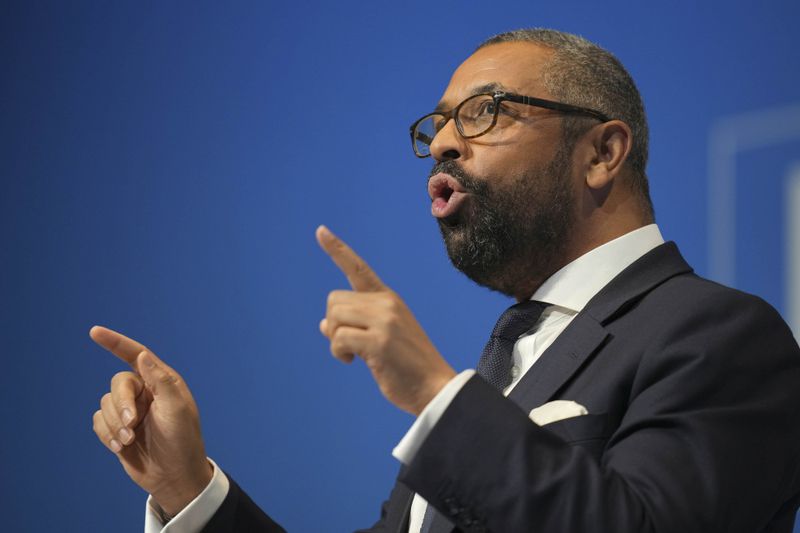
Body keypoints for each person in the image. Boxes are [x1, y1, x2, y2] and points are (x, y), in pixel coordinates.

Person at [90, 28, 800, 532]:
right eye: (437, 126)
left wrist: (436, 394)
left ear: (603, 152)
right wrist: (186, 491)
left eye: (484, 112)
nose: (445, 142)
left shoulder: (723, 337)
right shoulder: (506, 364)